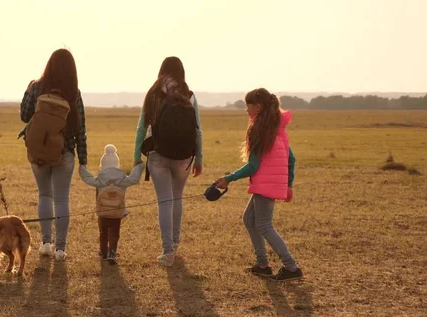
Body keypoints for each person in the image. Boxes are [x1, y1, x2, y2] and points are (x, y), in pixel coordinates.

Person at [215, 88, 303, 281]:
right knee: (249, 219)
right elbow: (292, 158)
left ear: (258, 107)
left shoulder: (260, 130)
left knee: (264, 225)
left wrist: (228, 178)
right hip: (271, 184)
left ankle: (291, 267)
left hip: (266, 185)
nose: (246, 109)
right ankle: (262, 264)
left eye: (248, 105)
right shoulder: (276, 129)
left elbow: (253, 165)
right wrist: (288, 185)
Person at [133, 56, 203, 267]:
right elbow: (198, 129)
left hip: (158, 154)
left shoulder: (154, 93)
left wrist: (137, 157)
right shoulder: (189, 95)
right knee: (177, 198)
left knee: (164, 200)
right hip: (184, 156)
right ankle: (175, 243)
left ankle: (167, 251)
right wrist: (199, 158)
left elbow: (141, 128)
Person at [19, 48, 87, 261]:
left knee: (44, 195)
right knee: (62, 198)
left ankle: (46, 243)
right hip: (65, 152)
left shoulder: (37, 86)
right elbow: (80, 129)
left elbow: (24, 115)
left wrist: (29, 91)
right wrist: (83, 159)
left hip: (39, 150)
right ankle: (60, 249)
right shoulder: (74, 93)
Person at [79, 144, 145, 265]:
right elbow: (134, 179)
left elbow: (87, 178)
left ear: (102, 165)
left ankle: (103, 252)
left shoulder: (100, 180)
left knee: (103, 233)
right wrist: (140, 166)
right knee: (114, 233)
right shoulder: (123, 179)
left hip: (103, 212)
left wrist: (82, 167)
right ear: (117, 164)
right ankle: (112, 252)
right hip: (116, 212)